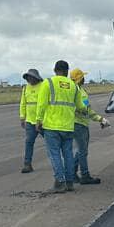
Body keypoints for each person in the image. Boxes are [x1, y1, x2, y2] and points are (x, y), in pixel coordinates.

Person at [35, 60, 80, 192]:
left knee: (54, 154)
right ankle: (70, 182)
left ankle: (60, 182)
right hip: (68, 126)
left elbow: (41, 103)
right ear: (67, 71)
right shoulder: (74, 85)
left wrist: (38, 120)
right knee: (68, 154)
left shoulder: (48, 83)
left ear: (55, 70)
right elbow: (80, 106)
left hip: (52, 126)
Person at [69, 68, 110, 185]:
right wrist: (100, 119)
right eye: (83, 77)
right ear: (79, 78)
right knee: (83, 151)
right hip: (80, 124)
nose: (84, 79)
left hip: (75, 123)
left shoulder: (74, 90)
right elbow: (86, 110)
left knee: (79, 150)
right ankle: (85, 175)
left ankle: (72, 174)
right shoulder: (79, 92)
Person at [18, 68, 43, 173]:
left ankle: (59, 163)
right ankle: (27, 164)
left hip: (42, 121)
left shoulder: (43, 86)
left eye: (31, 77)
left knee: (52, 143)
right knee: (29, 142)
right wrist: (22, 117)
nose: (29, 79)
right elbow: (23, 103)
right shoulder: (25, 88)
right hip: (30, 121)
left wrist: (40, 120)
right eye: (28, 77)